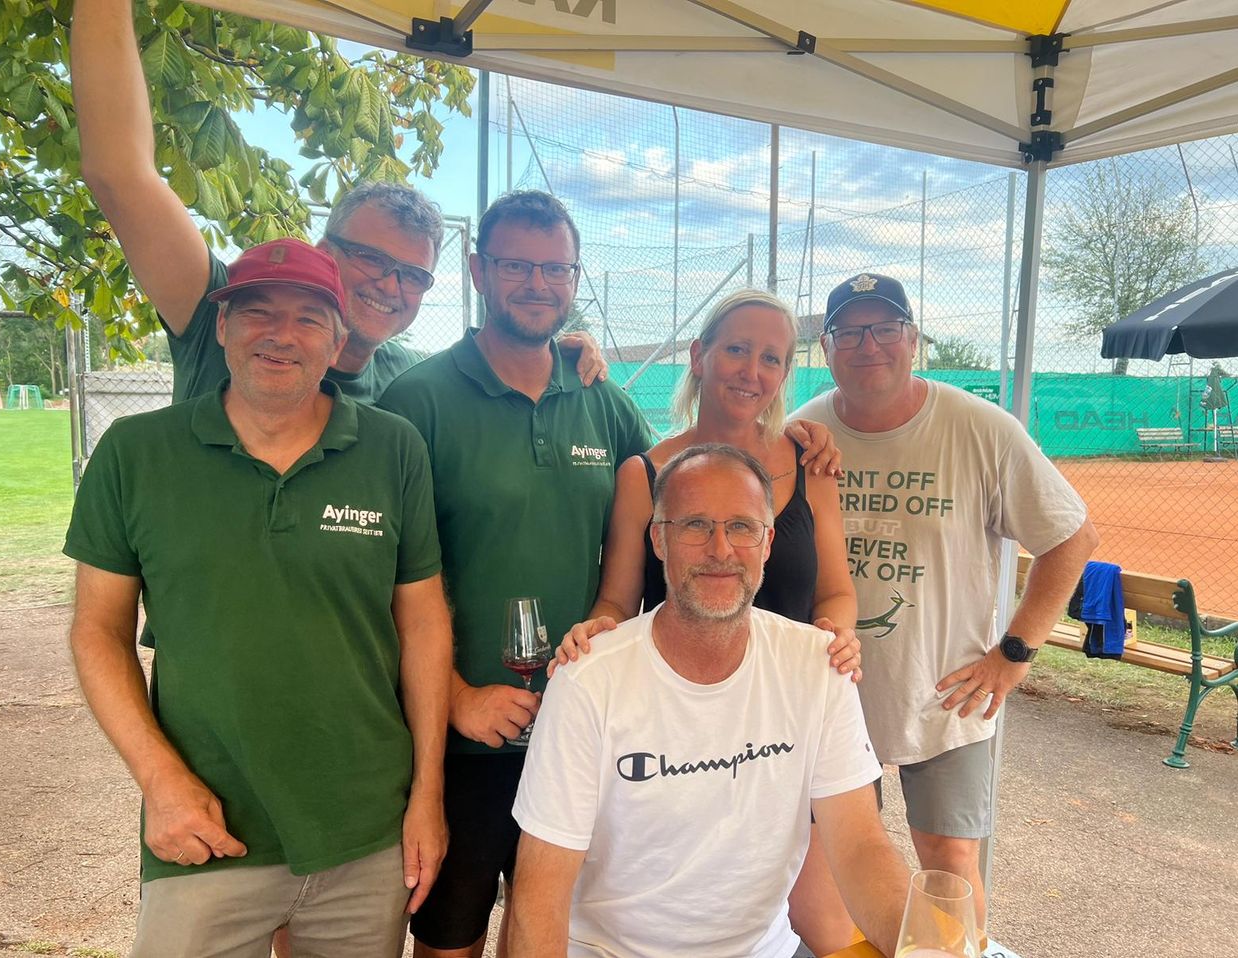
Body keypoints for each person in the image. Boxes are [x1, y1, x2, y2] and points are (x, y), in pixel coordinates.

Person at [64, 239, 453, 955]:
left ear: (338, 341)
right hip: (207, 827)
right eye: (256, 312)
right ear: (220, 327)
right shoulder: (137, 452)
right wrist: (161, 782)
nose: (281, 334)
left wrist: (428, 793)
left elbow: (424, 623)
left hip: (365, 830)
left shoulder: (393, 450)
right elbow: (97, 631)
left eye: (309, 318)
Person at [71, 0, 606, 405]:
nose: (389, 286)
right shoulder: (231, 316)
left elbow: (493, 365)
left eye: (411, 274)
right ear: (325, 250)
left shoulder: (407, 379)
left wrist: (549, 351)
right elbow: (119, 174)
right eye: (371, 259)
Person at [377, 190, 653, 958]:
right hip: (464, 745)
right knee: (449, 939)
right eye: (517, 266)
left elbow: (686, 472)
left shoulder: (600, 398)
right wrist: (457, 697)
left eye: (556, 269)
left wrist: (789, 440)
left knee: (549, 932)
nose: (539, 285)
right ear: (477, 271)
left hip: (579, 732)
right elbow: (374, 583)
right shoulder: (418, 401)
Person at [552, 289, 865, 954]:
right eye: (737, 349)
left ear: (786, 374)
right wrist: (594, 631)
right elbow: (619, 600)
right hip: (691, 733)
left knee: (829, 921)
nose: (753, 369)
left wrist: (839, 635)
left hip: (793, 717)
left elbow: (836, 592)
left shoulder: (812, 464)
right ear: (699, 357)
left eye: (772, 358)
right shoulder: (647, 471)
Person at [508, 444, 911, 957]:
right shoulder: (589, 680)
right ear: (658, 538)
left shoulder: (819, 666)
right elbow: (541, 888)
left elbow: (861, 848)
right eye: (695, 525)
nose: (721, 548)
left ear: (768, 541)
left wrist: (926, 943)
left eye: (742, 527)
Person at [790, 272, 1099, 931]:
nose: (867, 344)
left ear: (912, 340)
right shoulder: (800, 434)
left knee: (949, 864)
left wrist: (1014, 653)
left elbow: (1071, 537)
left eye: (885, 329)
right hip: (830, 690)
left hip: (945, 691)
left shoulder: (981, 429)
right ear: (827, 345)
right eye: (849, 331)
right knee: (824, 864)